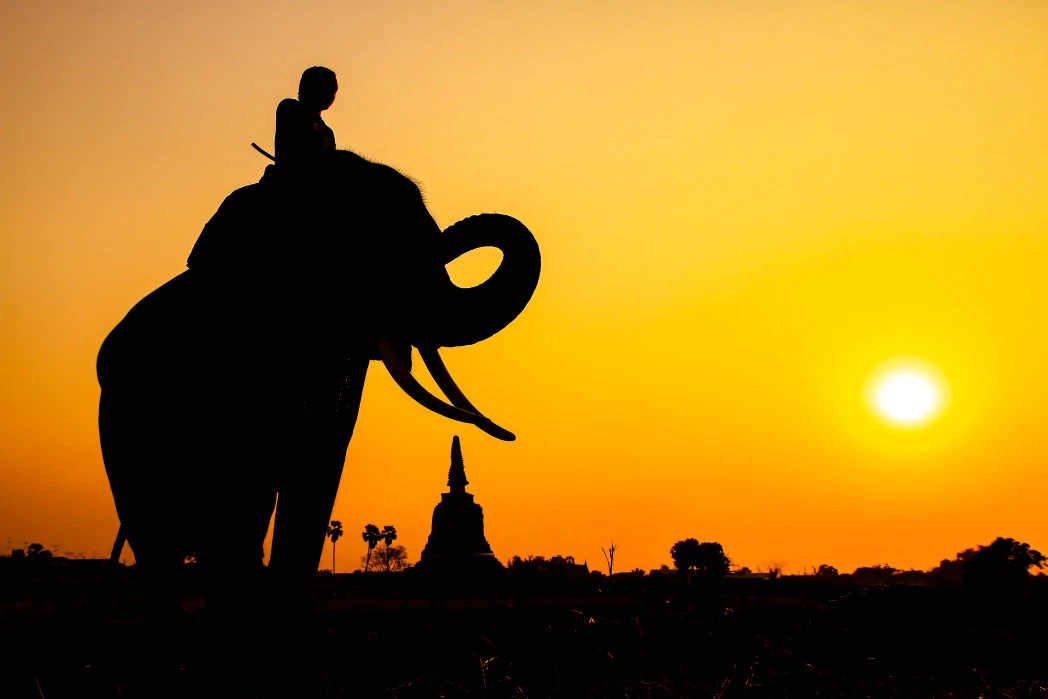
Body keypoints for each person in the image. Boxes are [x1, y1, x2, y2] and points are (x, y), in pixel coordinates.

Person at [274, 66, 338, 168]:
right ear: (310, 88)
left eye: (334, 90)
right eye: (327, 87)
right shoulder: (289, 108)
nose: (333, 94)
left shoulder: (328, 133)